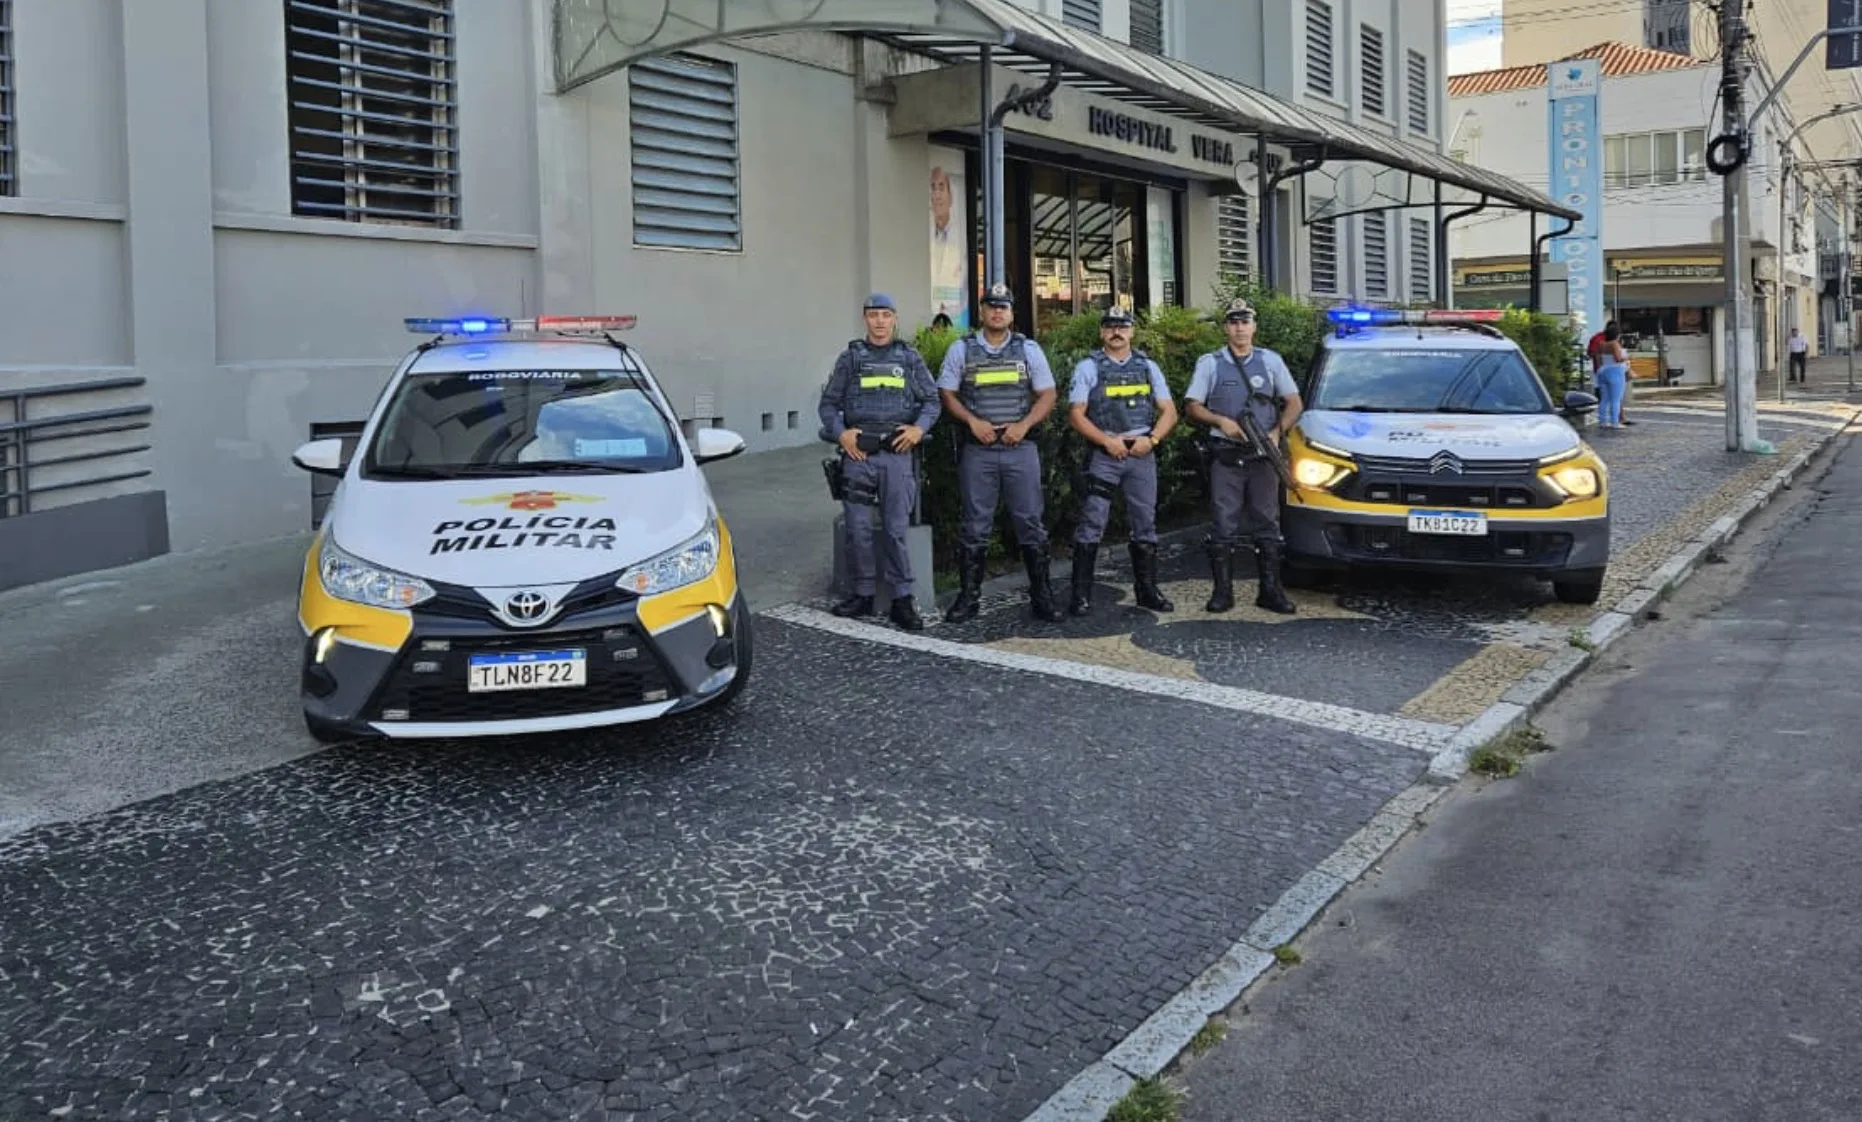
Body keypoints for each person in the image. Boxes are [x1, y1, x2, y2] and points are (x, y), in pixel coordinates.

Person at [937, 282, 1066, 624]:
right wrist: (971, 420)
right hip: (978, 450)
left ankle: (1042, 595)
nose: (997, 312)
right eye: (991, 306)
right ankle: (969, 598)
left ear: (1011, 313)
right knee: (975, 525)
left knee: (1030, 523)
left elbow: (1048, 394)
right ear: (982, 311)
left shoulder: (1028, 349)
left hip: (1019, 447)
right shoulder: (961, 349)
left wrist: (1023, 425)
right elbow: (947, 393)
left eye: (1003, 307)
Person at [817, 292, 941, 630]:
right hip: (859, 456)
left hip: (897, 456)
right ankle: (863, 594)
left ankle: (903, 599)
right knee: (858, 530)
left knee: (896, 530)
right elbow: (827, 405)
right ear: (864, 319)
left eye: (886, 315)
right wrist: (841, 433)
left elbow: (932, 400)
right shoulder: (851, 359)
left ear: (895, 319)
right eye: (874, 315)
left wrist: (919, 429)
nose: (880, 322)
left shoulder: (909, 358)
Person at [1183, 297, 1302, 615]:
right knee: (1224, 524)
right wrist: (1221, 421)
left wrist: (1278, 432)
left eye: (1245, 322)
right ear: (1226, 327)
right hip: (1226, 454)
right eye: (1234, 322)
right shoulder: (1210, 362)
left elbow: (1294, 402)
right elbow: (1193, 405)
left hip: (1263, 455)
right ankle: (1223, 593)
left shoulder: (1270, 361)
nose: (1239, 328)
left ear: (1254, 326)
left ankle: (1270, 591)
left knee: (1267, 523)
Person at [1065, 306, 1179, 616]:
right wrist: (1105, 441)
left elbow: (1169, 410)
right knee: (1092, 523)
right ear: (1102, 332)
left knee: (1145, 523)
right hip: (1104, 453)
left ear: (1131, 331)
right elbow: (1075, 414)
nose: (1116, 332)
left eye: (1122, 326)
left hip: (1141, 451)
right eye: (1110, 326)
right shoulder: (1089, 367)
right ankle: (1081, 595)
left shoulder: (1147, 367)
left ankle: (1147, 591)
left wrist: (1152, 440)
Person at [1593, 322, 1630, 429]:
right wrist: (1627, 358)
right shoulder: (1615, 344)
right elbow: (1618, 359)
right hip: (1615, 371)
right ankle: (1615, 421)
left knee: (1604, 398)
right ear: (1617, 335)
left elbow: (1598, 357)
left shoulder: (1601, 344)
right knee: (1616, 399)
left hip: (1603, 371)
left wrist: (1600, 368)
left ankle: (1602, 420)